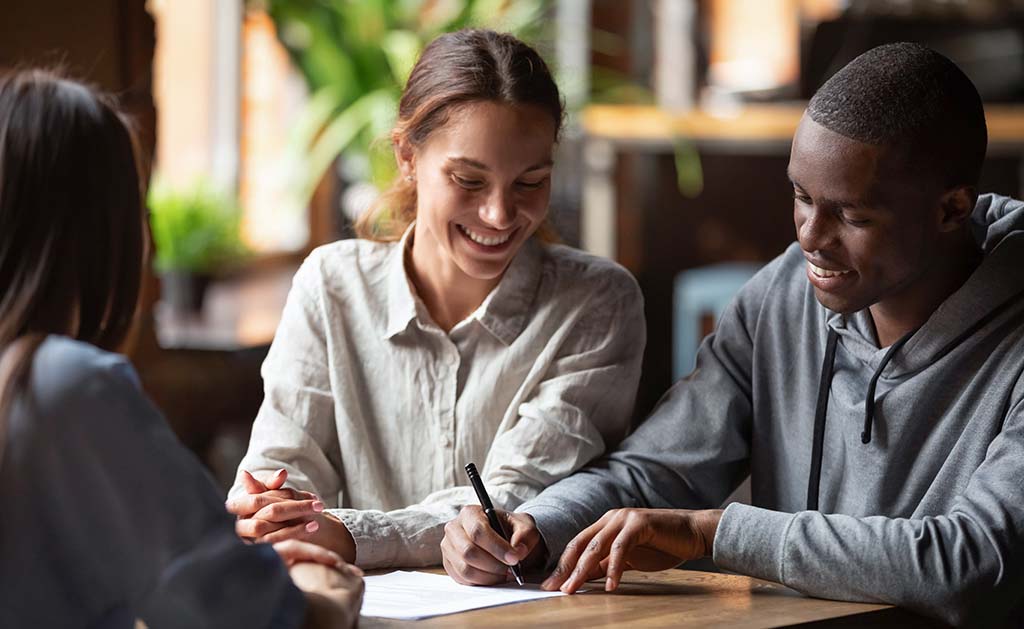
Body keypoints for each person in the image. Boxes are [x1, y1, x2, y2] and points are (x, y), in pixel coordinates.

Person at [442, 43, 1024, 626]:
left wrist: (713, 533)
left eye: (853, 216)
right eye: (801, 197)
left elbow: (974, 562)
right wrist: (536, 527)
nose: (810, 238)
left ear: (951, 210)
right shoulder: (781, 295)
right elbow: (656, 469)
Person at [226, 28, 645, 570]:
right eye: (468, 180)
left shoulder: (598, 303)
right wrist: (267, 509)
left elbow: (510, 502)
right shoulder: (330, 285)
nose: (498, 214)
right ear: (406, 156)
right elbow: (283, 466)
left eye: (529, 182)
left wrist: (349, 536)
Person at [0, 69, 363, 628]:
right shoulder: (65, 385)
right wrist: (323, 596)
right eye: (139, 212)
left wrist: (244, 571)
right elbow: (238, 616)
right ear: (102, 234)